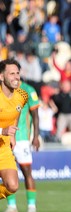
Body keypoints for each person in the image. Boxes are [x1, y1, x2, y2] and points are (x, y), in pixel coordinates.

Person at [2, 82, 40, 212]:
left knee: (27, 172)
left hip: (22, 137)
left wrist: (36, 136)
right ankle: (12, 207)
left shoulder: (27, 90)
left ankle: (31, 206)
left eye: (16, 73)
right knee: (6, 175)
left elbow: (35, 114)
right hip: (4, 138)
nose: (14, 76)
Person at [0, 59, 28, 201]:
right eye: (11, 73)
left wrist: (12, 135)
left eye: (17, 73)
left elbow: (16, 113)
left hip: (3, 147)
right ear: (1, 76)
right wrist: (2, 131)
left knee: (12, 186)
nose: (16, 77)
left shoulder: (22, 96)